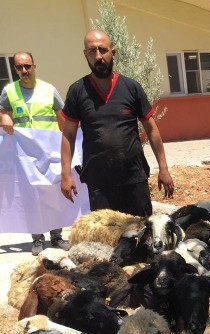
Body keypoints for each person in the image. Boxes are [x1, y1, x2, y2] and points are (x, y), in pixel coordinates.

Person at [60, 29, 174, 216]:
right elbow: (69, 134)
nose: (98, 56)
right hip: (99, 182)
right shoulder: (77, 91)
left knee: (141, 234)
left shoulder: (131, 88)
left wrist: (163, 168)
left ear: (113, 52)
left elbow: (152, 129)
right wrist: (66, 174)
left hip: (134, 177)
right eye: (92, 51)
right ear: (85, 55)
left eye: (103, 50)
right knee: (107, 239)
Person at [0, 51, 70, 255]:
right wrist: (4, 116)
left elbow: (64, 117)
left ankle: (56, 237)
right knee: (31, 197)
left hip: (50, 153)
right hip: (24, 156)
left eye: (27, 66)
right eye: (20, 67)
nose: (24, 71)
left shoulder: (49, 90)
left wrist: (74, 141)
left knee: (53, 195)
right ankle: (37, 239)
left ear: (34, 66)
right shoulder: (9, 91)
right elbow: (2, 110)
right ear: (15, 69)